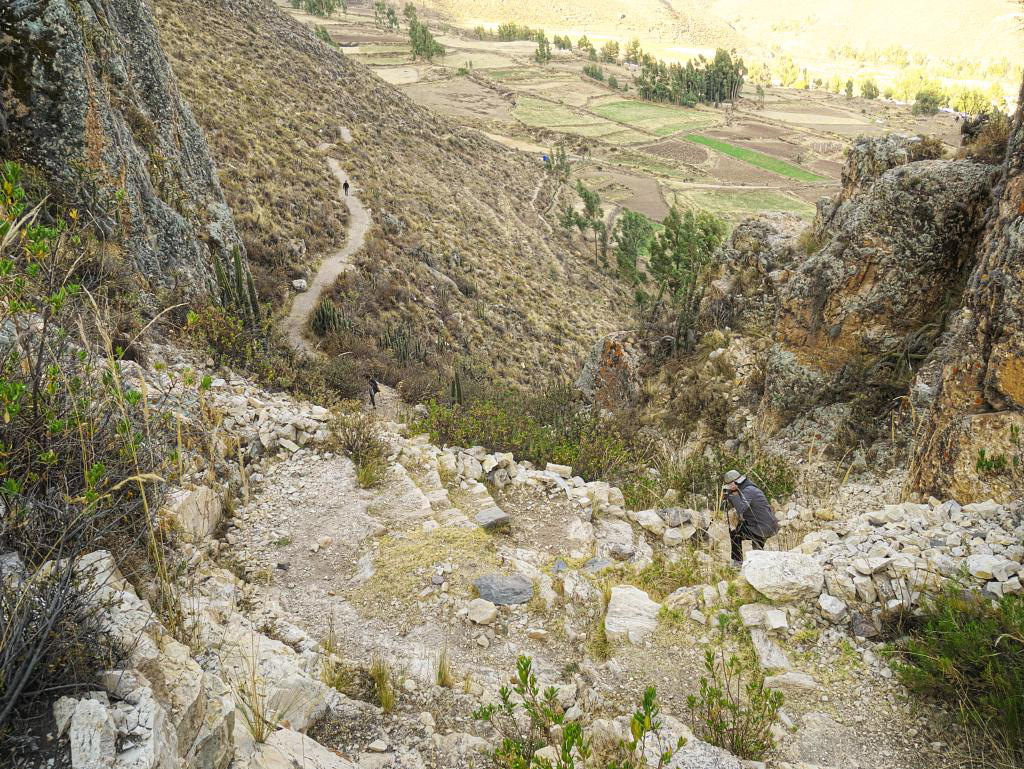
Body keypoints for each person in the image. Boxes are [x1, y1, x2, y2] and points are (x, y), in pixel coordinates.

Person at [721, 470, 778, 564]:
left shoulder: (748, 491)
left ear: (734, 483)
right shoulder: (748, 487)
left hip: (762, 527)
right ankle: (758, 558)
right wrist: (729, 496)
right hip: (765, 525)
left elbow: (740, 509)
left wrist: (734, 492)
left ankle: (737, 562)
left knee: (735, 534)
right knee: (743, 529)